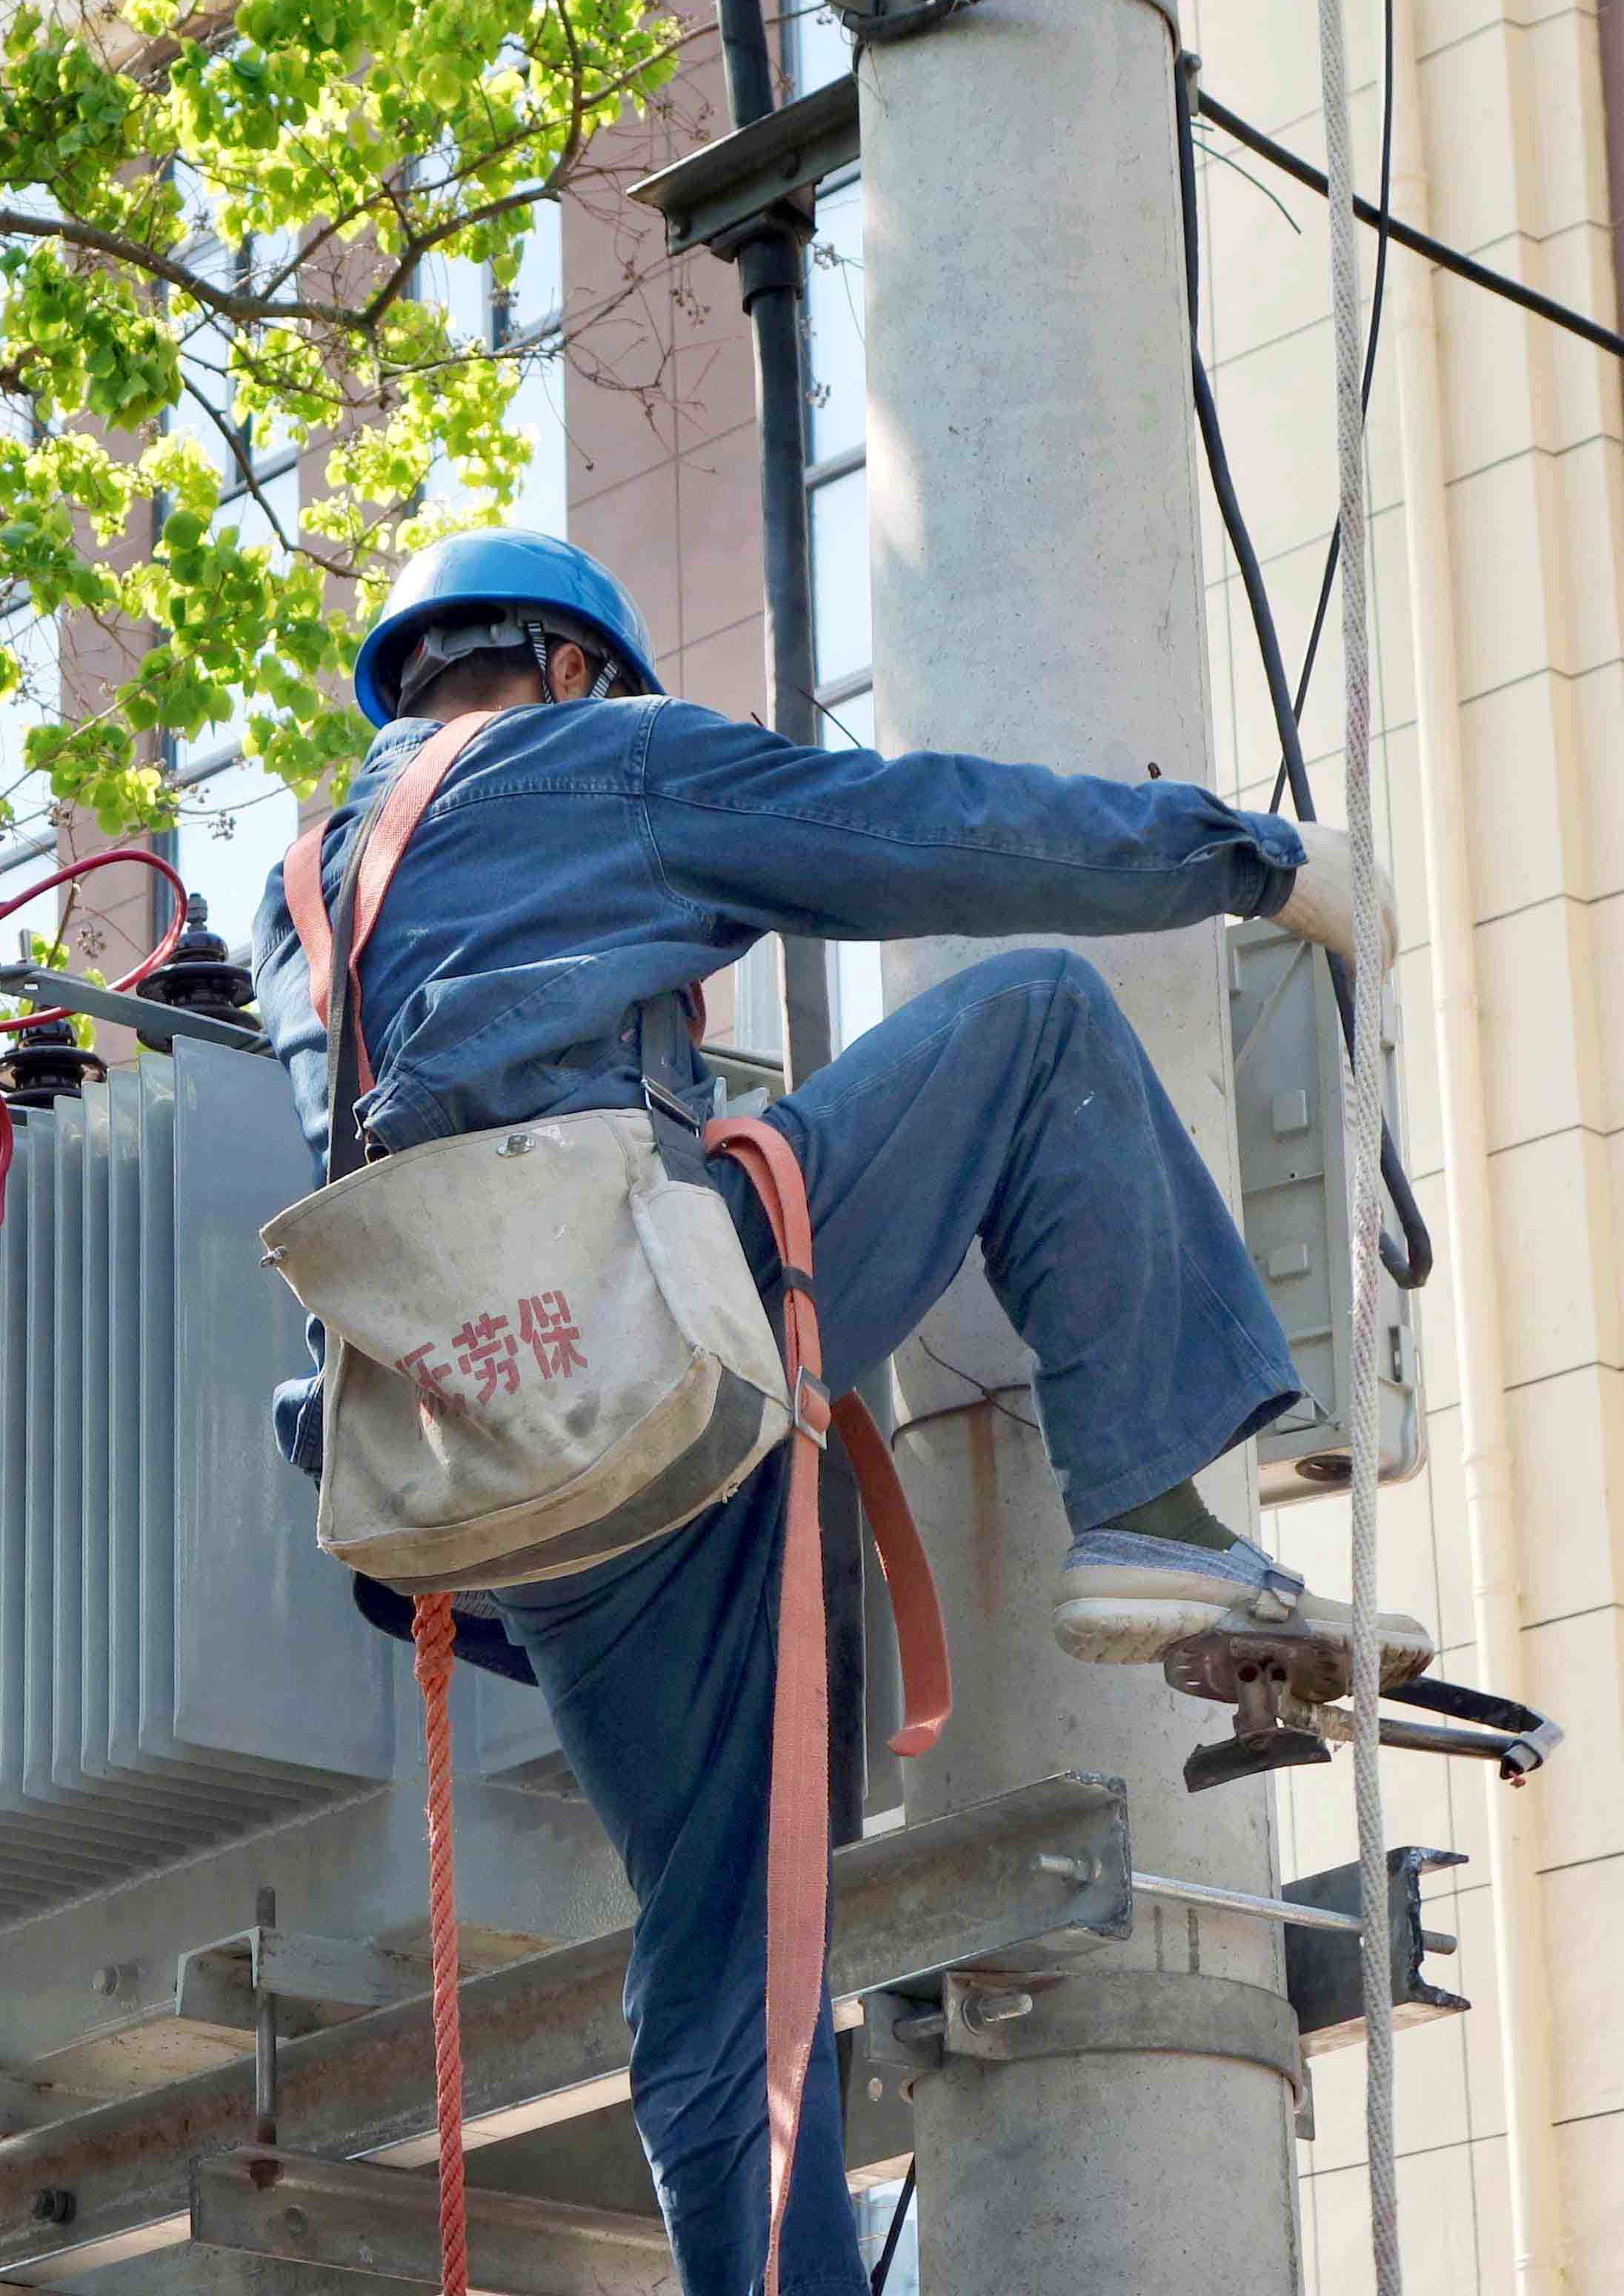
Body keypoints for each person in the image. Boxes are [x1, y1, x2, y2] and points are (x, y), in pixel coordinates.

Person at [248, 527, 1431, 2296]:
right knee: (1032, 1021)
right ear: (567, 664)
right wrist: (1250, 861)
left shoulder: (298, 887)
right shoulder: (601, 756)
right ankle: (1151, 1514)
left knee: (723, 1958)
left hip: (493, 1465)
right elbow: (929, 830)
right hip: (658, 1343)